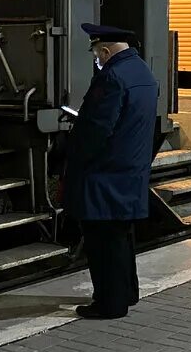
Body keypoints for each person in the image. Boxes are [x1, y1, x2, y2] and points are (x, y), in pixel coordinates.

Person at [57, 24, 158, 318]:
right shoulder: (143, 73)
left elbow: (96, 131)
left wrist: (71, 151)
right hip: (130, 170)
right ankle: (127, 293)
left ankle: (109, 304)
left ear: (104, 50)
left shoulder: (111, 77)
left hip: (105, 175)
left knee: (102, 243)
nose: (96, 58)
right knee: (122, 238)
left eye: (96, 52)